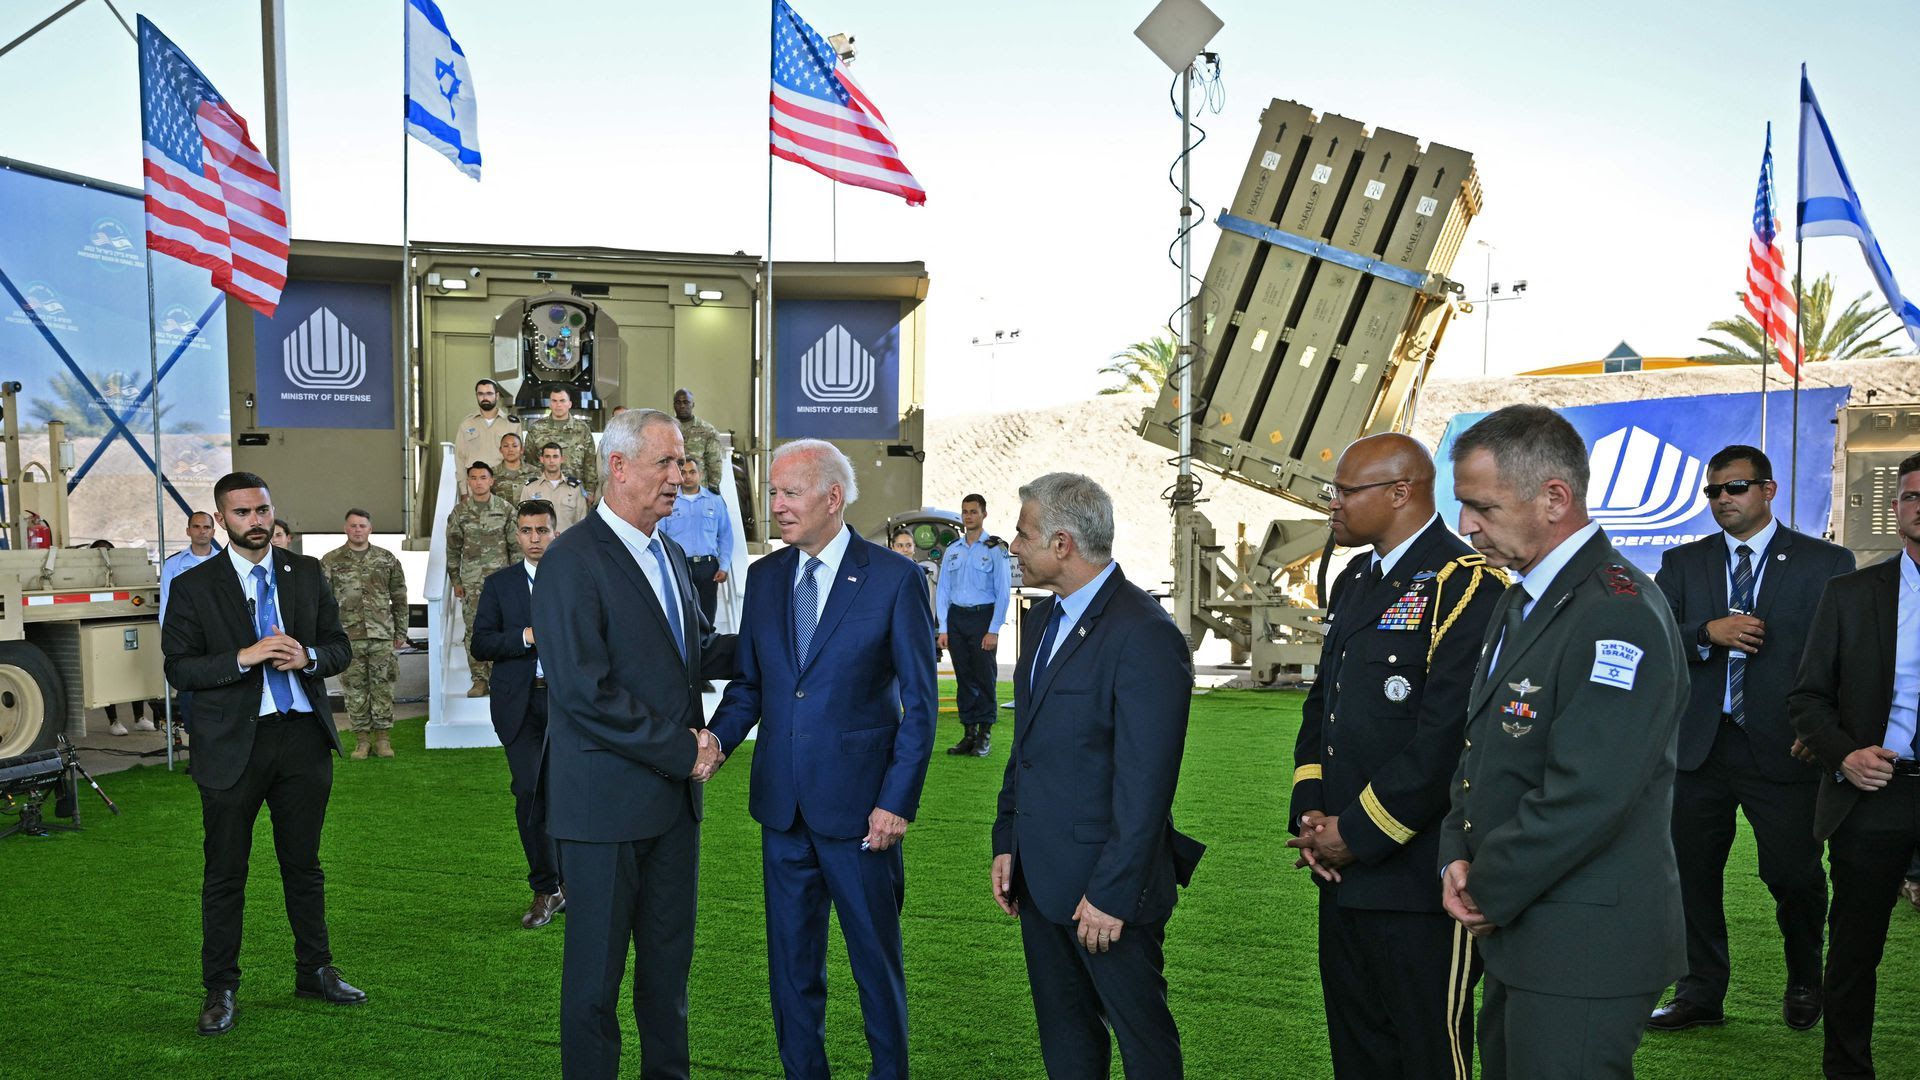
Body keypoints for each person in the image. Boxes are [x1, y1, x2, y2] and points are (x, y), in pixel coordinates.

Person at [1438, 404, 1688, 1079]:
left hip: (1583, 944)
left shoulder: (1616, 611)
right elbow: (1483, 755)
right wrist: (1455, 854)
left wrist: (1484, 884)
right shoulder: (1522, 598)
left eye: (1481, 506)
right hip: (1529, 929)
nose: (1467, 526)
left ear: (1554, 498)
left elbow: (1589, 792)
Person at [707, 439, 937, 1080]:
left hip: (864, 816)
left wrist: (896, 801)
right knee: (791, 968)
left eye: (789, 493)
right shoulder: (766, 577)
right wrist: (718, 741)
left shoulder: (894, 579)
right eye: (773, 493)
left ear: (833, 498)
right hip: (782, 812)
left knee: (874, 964)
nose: (775, 506)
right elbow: (751, 685)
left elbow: (920, 705)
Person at [1287, 433, 1506, 1079]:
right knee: (1359, 1053)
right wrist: (1312, 815)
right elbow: (1322, 707)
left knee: (1428, 1053)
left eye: (1347, 492)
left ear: (1401, 492)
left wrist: (1354, 833)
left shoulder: (1464, 585)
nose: (1334, 505)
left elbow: (1446, 740)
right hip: (1341, 871)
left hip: (1420, 877)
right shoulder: (1358, 578)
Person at [532, 409, 733, 1080]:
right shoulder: (570, 559)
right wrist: (685, 752)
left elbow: (695, 651)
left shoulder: (670, 553)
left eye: (680, 463)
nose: (678, 477)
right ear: (618, 468)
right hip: (603, 814)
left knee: (667, 979)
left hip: (673, 812)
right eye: (665, 464)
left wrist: (788, 639)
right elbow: (583, 692)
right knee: (594, 985)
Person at [991, 472, 1203, 1079]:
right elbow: (1025, 746)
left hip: (1108, 893)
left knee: (1143, 1042)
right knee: (1066, 1039)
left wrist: (1111, 894)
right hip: (1040, 878)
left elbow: (1147, 784)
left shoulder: (1145, 633)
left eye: (1023, 534)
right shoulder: (1042, 620)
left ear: (1062, 543)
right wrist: (1008, 838)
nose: (1014, 546)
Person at [1648, 445, 1853, 1035]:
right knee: (1692, 875)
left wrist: (1826, 734)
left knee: (1793, 875)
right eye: (1712, 492)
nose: (1721, 501)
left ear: (1769, 490)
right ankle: (1700, 992)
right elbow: (1655, 635)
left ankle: (1804, 974)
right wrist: (1707, 633)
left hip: (1788, 745)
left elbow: (1848, 654)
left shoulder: (1826, 562)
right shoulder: (1685, 563)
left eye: (1734, 488)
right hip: (1699, 749)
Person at [160, 471, 359, 1037]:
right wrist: (244, 656)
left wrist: (310, 658)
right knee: (225, 872)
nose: (257, 521)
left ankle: (314, 970)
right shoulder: (197, 585)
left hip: (302, 739)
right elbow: (179, 668)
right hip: (231, 748)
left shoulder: (307, 573)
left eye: (263, 510)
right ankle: (220, 988)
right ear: (221, 520)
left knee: (305, 865)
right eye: (243, 513)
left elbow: (339, 647)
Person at [1788, 450, 1920, 1079]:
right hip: (1876, 790)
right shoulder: (1849, 594)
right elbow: (1807, 698)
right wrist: (1847, 753)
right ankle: (1846, 1069)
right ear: (1896, 511)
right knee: (1854, 951)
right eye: (1912, 496)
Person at [469, 498, 564, 929]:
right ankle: (545, 888)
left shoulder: (575, 579)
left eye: (541, 530)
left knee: (572, 794)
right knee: (529, 794)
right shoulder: (499, 584)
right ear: (516, 534)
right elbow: (482, 644)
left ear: (555, 532)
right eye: (526, 531)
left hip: (571, 706)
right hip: (519, 705)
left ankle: (576, 886)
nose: (534, 538)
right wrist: (525, 636)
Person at [319, 509, 411, 760]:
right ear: (345, 528)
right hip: (347, 636)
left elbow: (400, 598)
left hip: (382, 634)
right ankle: (362, 741)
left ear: (370, 528)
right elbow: (323, 602)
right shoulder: (331, 560)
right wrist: (327, 636)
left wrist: (400, 631)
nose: (357, 530)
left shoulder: (386, 559)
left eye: (362, 525)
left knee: (383, 687)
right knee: (354, 689)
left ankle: (382, 739)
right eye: (353, 526)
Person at [936, 494, 1012, 758]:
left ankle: (984, 734)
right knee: (964, 678)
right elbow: (943, 589)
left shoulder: (995, 548)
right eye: (965, 512)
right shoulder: (953, 549)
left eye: (973, 512)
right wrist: (943, 627)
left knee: (984, 677)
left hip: (982, 618)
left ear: (984, 515)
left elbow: (1003, 591)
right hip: (957, 619)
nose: (968, 516)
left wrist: (993, 629)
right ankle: (968, 733)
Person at [446, 462, 517, 698]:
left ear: (491, 481)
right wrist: (456, 579)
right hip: (471, 584)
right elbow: (453, 549)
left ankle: (500, 677)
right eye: (473, 478)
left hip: (501, 583)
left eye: (483, 477)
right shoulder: (460, 513)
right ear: (468, 482)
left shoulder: (506, 510)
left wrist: (517, 580)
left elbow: (515, 548)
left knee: (502, 629)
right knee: (474, 631)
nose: (478, 482)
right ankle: (479, 680)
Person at [159, 510, 224, 738]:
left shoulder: (225, 563)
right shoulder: (174, 565)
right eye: (196, 527)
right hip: (188, 640)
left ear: (213, 531)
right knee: (189, 694)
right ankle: (196, 750)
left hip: (219, 639)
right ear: (188, 531)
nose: (201, 531)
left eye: (206, 527)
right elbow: (166, 608)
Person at [658, 455, 733, 627]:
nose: (688, 476)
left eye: (692, 472)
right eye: (683, 472)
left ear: (700, 474)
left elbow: (726, 535)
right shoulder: (669, 500)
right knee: (683, 615)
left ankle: (706, 653)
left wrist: (724, 566)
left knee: (707, 617)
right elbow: (660, 536)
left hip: (708, 568)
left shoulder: (715, 501)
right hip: (680, 565)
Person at [524, 386, 599, 500]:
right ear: (549, 404)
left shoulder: (582, 429)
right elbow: (530, 461)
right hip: (544, 492)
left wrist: (590, 491)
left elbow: (590, 464)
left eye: (562, 401)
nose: (558, 405)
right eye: (554, 401)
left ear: (570, 404)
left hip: (575, 493)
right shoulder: (536, 428)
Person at [453, 378, 523, 475]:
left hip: (503, 482)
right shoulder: (466, 424)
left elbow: (519, 457)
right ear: (476, 396)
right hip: (476, 484)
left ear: (497, 396)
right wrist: (464, 488)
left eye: (489, 393)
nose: (485, 397)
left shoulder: (512, 424)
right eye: (481, 394)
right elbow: (459, 458)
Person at [525, 443, 591, 534]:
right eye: (547, 456)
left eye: (555, 456)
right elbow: (524, 522)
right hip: (539, 544)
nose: (551, 460)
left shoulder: (575, 488)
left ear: (562, 459)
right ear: (541, 459)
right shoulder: (530, 488)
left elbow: (582, 522)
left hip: (567, 543)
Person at [671, 388, 726, 493]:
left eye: (686, 402)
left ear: (693, 405)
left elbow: (714, 463)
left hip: (699, 491)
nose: (682, 406)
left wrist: (713, 488)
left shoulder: (707, 430)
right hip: (674, 489)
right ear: (674, 405)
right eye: (678, 402)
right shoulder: (667, 428)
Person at [491, 432, 538, 507]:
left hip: (528, 517)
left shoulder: (535, 473)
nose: (510, 450)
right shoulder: (491, 474)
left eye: (515, 446)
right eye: (506, 446)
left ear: (521, 450)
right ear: (501, 450)